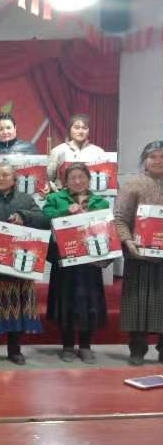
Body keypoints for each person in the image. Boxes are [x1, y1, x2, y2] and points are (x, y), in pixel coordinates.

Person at [0, 163, 47, 365]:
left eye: (5, 175)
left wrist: (24, 216)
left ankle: (15, 350)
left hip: (20, 267)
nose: (1, 178)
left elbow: (44, 220)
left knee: (18, 309)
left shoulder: (25, 199)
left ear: (14, 179)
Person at [43, 163, 109, 364]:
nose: (78, 181)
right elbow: (44, 219)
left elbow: (108, 229)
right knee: (66, 302)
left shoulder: (101, 202)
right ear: (65, 181)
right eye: (73, 177)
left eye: (82, 177)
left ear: (89, 179)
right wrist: (65, 212)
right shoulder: (55, 199)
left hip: (90, 262)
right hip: (64, 261)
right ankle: (68, 346)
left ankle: (86, 346)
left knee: (89, 303)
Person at [114, 141, 163, 366]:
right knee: (136, 304)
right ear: (145, 160)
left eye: (162, 156)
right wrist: (128, 241)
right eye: (153, 156)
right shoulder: (132, 184)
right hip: (139, 254)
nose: (158, 161)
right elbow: (120, 218)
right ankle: (137, 349)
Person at [47, 114, 106, 190]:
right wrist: (56, 190)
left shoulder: (99, 152)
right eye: (76, 128)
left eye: (84, 128)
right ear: (70, 130)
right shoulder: (58, 150)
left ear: (89, 131)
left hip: (90, 194)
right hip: (63, 194)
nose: (80, 131)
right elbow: (48, 178)